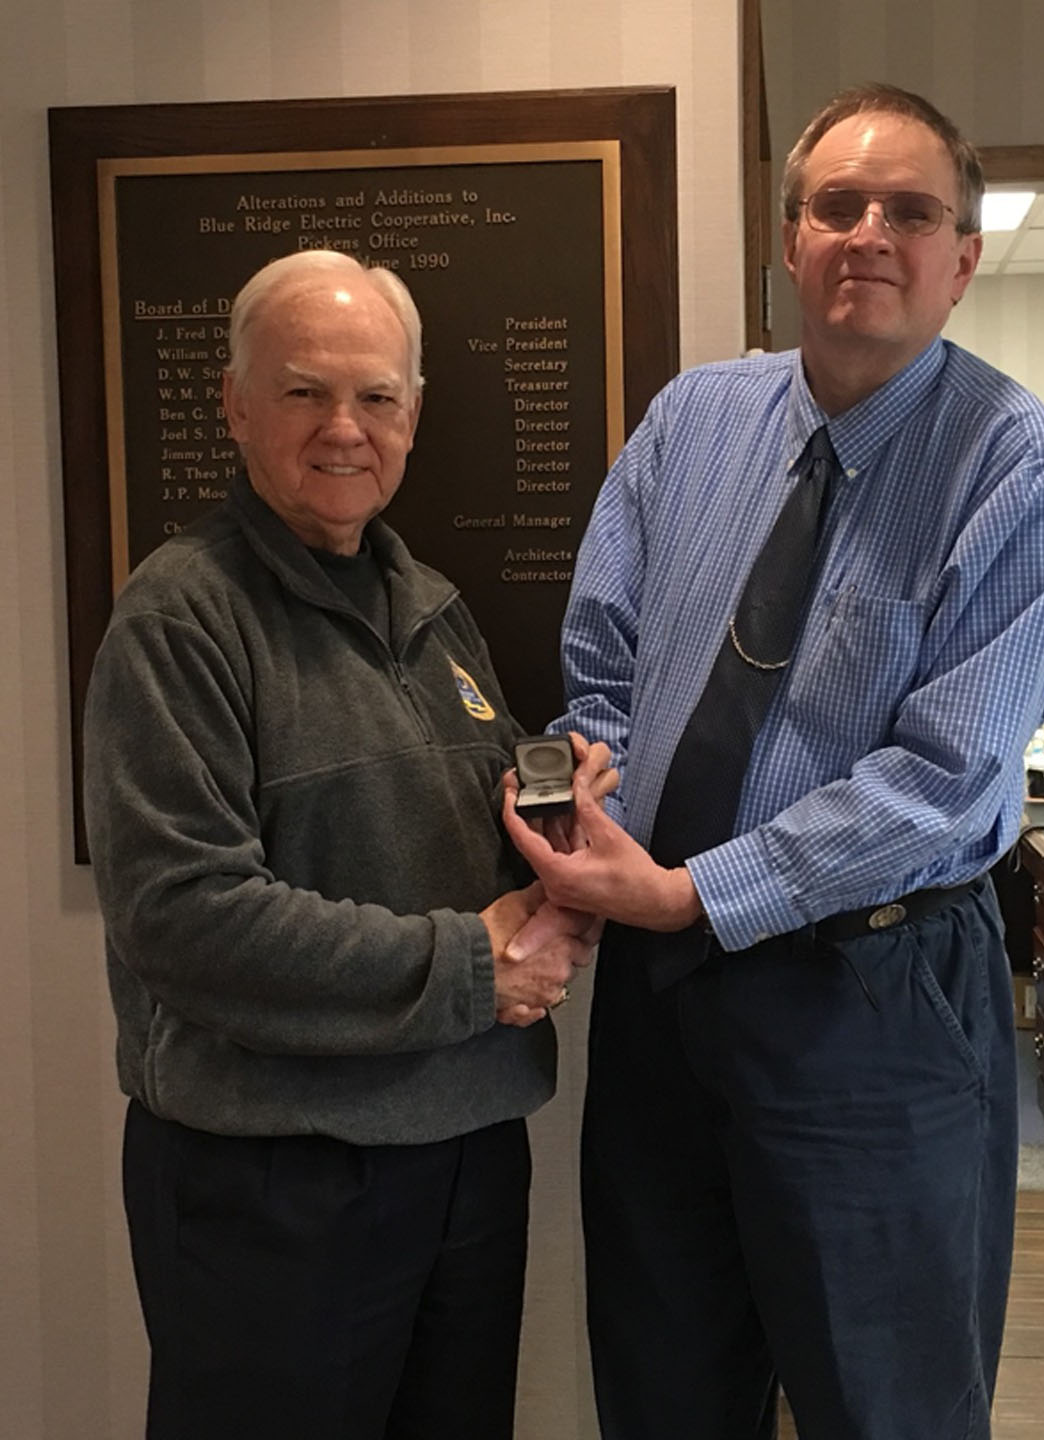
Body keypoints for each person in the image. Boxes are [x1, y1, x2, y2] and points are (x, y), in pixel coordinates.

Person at [503, 85, 1044, 1439]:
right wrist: (593, 809)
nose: (867, 234)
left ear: (961, 259)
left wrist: (694, 892)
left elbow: (943, 778)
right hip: (663, 1002)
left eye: (910, 212)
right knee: (662, 1387)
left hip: (868, 999)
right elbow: (602, 665)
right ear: (789, 237)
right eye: (837, 205)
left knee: (884, 1405)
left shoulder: (1017, 462)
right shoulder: (691, 420)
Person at [83, 249, 611, 1440]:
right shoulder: (178, 618)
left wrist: (553, 818)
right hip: (278, 1181)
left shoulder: (429, 601)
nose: (343, 429)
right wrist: (474, 964)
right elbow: (187, 915)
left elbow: (466, 823)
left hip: (467, 1158)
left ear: (414, 416)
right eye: (304, 392)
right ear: (233, 404)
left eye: (376, 397)